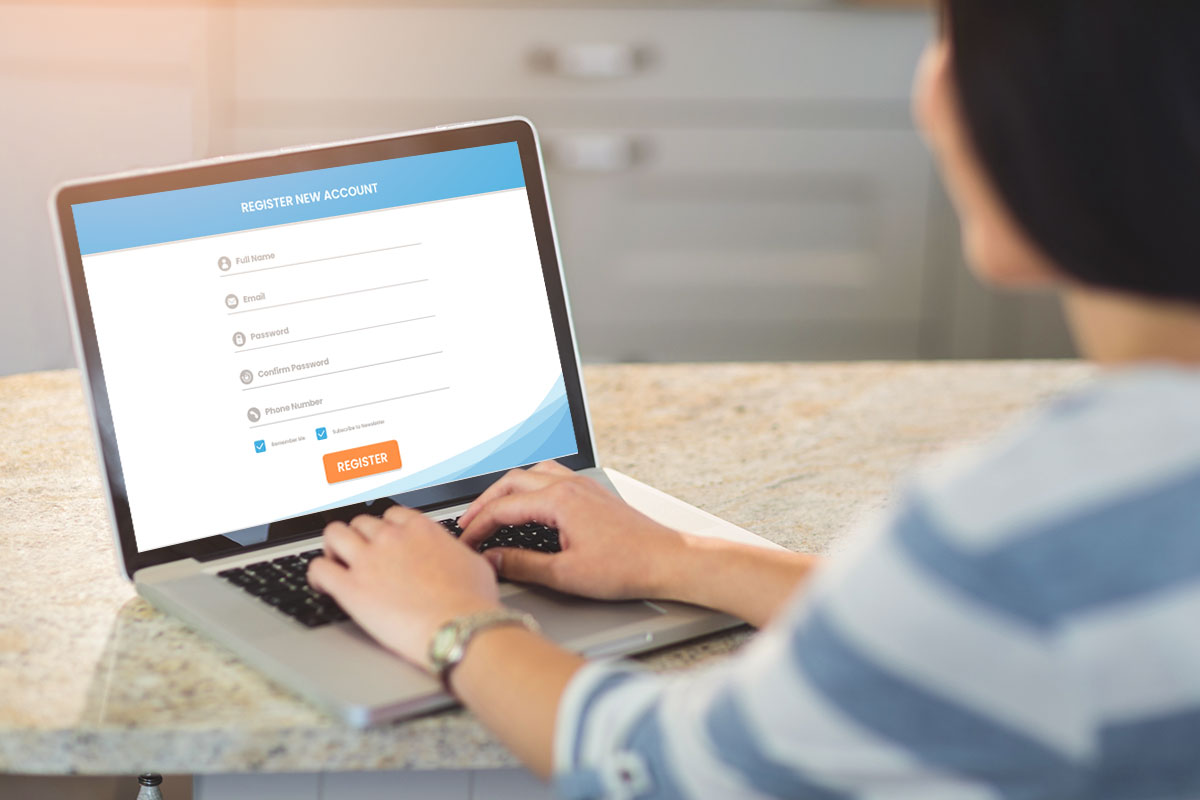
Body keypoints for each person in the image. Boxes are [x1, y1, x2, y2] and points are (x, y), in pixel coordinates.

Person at [306, 1, 1200, 797]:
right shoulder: (1082, 530)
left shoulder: (1014, 531)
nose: (930, 89)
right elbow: (970, 644)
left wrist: (455, 625)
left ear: (1065, 112)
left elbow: (664, 768)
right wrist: (681, 560)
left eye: (950, 36)